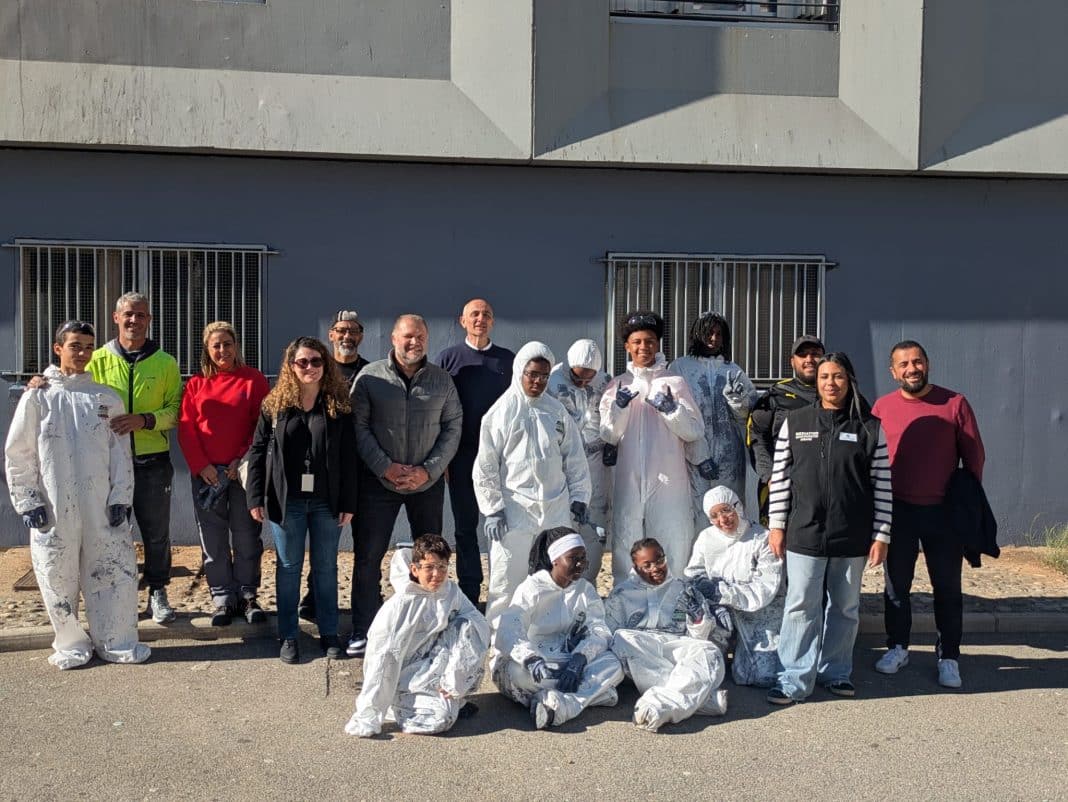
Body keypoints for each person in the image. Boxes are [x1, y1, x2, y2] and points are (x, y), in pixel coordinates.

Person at [4, 320, 150, 669]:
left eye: (88, 346)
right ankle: (70, 643)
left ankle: (116, 640)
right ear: (58, 348)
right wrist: (28, 499)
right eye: (75, 346)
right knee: (57, 573)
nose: (83, 353)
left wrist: (120, 497)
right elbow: (19, 451)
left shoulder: (104, 398)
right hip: (55, 506)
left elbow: (120, 453)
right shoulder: (37, 396)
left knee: (112, 572)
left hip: (100, 505)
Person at [765, 352, 892, 705]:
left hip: (852, 535)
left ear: (849, 380)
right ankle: (792, 678)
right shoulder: (795, 421)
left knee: (845, 607)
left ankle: (836, 672)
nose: (830, 383)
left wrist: (882, 534)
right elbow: (781, 479)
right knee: (800, 605)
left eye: (837, 376)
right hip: (804, 532)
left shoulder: (870, 427)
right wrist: (777, 526)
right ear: (815, 381)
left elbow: (882, 484)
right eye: (824, 377)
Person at [872, 340, 985, 689]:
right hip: (898, 511)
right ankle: (898, 647)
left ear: (927, 364)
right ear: (893, 372)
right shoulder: (882, 407)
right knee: (896, 587)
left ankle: (948, 655)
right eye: (903, 364)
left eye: (917, 361)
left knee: (947, 588)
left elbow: (974, 457)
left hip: (943, 513)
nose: (911, 369)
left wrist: (964, 501)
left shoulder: (954, 403)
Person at [349, 314, 462, 657]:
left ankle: (426, 626)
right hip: (378, 484)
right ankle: (364, 628)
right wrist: (385, 467)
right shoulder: (370, 378)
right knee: (368, 557)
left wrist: (428, 470)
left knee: (431, 558)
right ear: (393, 340)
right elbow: (359, 427)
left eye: (420, 338)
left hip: (425, 484)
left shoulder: (442, 380)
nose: (414, 343)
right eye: (407, 337)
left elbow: (452, 427)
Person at [246, 337, 358, 664]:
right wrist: (256, 496)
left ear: (326, 364)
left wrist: (349, 502)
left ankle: (328, 633)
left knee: (325, 568)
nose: (309, 367)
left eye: (316, 361)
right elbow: (256, 451)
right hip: (287, 501)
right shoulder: (275, 405)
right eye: (302, 362)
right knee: (288, 568)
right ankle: (289, 635)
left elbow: (350, 458)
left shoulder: (339, 406)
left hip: (327, 502)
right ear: (291, 366)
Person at [474, 342, 591, 627]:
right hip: (515, 509)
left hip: (555, 507)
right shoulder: (500, 413)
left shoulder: (556, 412)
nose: (538, 381)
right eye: (532, 374)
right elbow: (486, 465)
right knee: (507, 577)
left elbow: (574, 457)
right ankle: (501, 639)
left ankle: (548, 630)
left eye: (544, 376)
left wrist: (579, 497)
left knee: (554, 575)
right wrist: (492, 509)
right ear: (519, 372)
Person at [88, 292, 183, 624]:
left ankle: (157, 591)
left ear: (149, 320)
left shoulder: (166, 363)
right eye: (128, 314)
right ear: (116, 318)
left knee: (156, 532)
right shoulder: (96, 359)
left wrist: (144, 420)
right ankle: (117, 594)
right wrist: (41, 380)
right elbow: (70, 386)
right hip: (107, 463)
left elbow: (176, 411)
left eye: (141, 315)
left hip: (152, 461)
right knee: (111, 532)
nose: (134, 320)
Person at [344, 534, 490, 738]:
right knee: (441, 719)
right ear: (415, 569)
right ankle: (397, 706)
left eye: (442, 566)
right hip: (405, 677)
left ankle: (451, 697)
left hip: (434, 665)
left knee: (471, 626)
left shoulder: (450, 592)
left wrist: (457, 676)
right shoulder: (401, 606)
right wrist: (370, 712)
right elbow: (383, 659)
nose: (436, 574)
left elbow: (473, 623)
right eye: (429, 567)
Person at [599, 311, 706, 582]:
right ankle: (627, 599)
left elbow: (694, 430)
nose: (643, 347)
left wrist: (673, 410)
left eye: (649, 341)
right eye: (637, 342)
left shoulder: (674, 383)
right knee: (626, 538)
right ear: (627, 346)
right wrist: (619, 408)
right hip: (629, 477)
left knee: (672, 536)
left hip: (668, 478)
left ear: (658, 345)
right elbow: (608, 434)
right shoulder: (617, 385)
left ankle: (675, 601)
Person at [178, 322, 270, 626]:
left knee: (246, 536)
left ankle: (247, 596)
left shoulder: (253, 380)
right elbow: (187, 427)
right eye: (216, 345)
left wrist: (241, 458)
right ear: (207, 348)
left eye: (227, 344)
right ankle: (221, 597)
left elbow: (262, 425)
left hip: (241, 472)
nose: (222, 350)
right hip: (207, 476)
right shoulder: (195, 384)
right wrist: (201, 465)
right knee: (213, 538)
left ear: (236, 345)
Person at [493, 528, 623, 729]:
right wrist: (530, 659)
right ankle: (592, 694)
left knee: (614, 664)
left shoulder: (585, 590)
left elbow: (599, 629)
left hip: (571, 661)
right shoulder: (532, 588)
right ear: (554, 559)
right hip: (538, 664)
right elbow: (509, 626)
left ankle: (559, 705)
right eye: (573, 558)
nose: (581, 564)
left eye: (583, 558)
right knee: (518, 675)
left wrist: (580, 658)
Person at [437, 298, 514, 606]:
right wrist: (442, 458)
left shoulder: (508, 360)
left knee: (503, 528)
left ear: (492, 322)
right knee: (465, 528)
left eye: (486, 315)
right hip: (461, 458)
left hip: (502, 460)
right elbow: (439, 410)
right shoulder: (448, 359)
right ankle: (470, 593)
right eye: (475, 314)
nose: (480, 319)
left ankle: (503, 590)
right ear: (463, 321)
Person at [606, 538, 728, 733]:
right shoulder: (621, 594)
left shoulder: (683, 588)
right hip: (642, 652)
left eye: (660, 560)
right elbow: (610, 636)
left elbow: (697, 637)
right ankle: (697, 699)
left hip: (677, 647)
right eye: (647, 565)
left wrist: (698, 619)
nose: (656, 568)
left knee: (709, 651)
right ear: (635, 568)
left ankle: (670, 702)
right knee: (622, 638)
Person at [299, 310, 371, 623]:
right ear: (331, 335)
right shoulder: (317, 371)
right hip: (326, 473)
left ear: (361, 336)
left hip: (364, 471)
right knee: (322, 542)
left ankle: (366, 599)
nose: (347, 336)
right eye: (341, 330)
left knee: (367, 543)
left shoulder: (372, 373)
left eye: (353, 331)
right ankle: (314, 596)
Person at [685, 486, 784, 688]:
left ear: (738, 507)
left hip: (759, 614)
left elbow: (765, 588)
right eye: (714, 515)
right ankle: (722, 650)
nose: (723, 520)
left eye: (726, 510)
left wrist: (724, 593)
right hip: (720, 612)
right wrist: (705, 587)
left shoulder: (762, 538)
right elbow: (693, 572)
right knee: (704, 666)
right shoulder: (706, 538)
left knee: (762, 676)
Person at [670, 312, 758, 531]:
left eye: (719, 334)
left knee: (730, 511)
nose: (713, 339)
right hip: (691, 457)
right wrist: (698, 455)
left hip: (730, 457)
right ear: (697, 335)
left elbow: (750, 415)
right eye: (708, 333)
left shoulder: (733, 370)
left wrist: (738, 402)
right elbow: (675, 417)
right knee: (697, 514)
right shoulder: (680, 368)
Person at [547, 338, 613, 582]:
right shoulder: (552, 380)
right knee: (565, 520)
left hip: (596, 462)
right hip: (563, 462)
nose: (584, 383)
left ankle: (588, 582)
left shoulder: (605, 382)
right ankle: (561, 581)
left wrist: (611, 443)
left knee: (595, 520)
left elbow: (610, 419)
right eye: (578, 378)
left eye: (589, 378)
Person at [748, 335, 825, 522]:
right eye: (803, 355)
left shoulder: (838, 393)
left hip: (827, 491)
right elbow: (756, 436)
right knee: (775, 548)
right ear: (792, 361)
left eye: (815, 354)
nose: (809, 360)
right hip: (782, 488)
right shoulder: (776, 395)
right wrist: (769, 476)